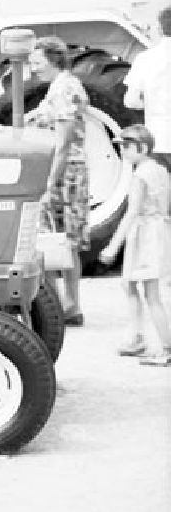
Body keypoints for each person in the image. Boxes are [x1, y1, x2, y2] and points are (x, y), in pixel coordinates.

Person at [25, 36, 91, 326]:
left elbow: (63, 143)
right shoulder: (61, 86)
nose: (33, 68)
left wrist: (49, 183)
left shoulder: (64, 89)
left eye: (37, 62)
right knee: (63, 241)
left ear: (53, 60)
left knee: (58, 239)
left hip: (64, 172)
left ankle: (66, 305)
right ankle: (67, 303)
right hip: (65, 169)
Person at [99, 125, 171, 365]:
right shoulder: (160, 170)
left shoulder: (141, 175)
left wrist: (112, 247)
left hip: (145, 234)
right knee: (129, 284)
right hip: (158, 230)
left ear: (142, 148)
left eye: (127, 148)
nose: (124, 153)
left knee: (151, 294)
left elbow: (132, 213)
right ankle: (137, 337)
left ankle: (167, 347)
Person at [123, 5, 171, 172]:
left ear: (159, 29)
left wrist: (148, 103)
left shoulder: (145, 59)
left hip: (159, 139)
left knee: (161, 193)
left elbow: (130, 101)